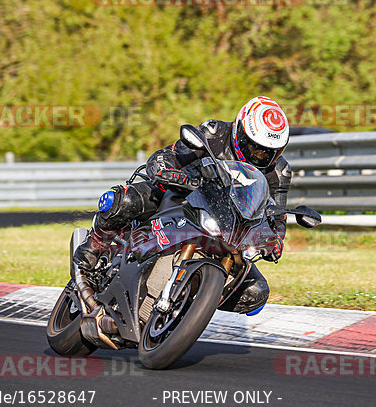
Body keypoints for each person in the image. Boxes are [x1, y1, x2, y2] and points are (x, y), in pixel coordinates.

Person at [73, 96, 292, 315]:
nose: (258, 156)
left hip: (230, 228)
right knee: (123, 201)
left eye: (267, 153)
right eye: (253, 148)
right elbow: (167, 156)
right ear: (239, 131)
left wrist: (276, 241)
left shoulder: (279, 173)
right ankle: (92, 248)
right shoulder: (215, 134)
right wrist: (171, 172)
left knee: (256, 293)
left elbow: (276, 216)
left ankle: (189, 305)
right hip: (183, 195)